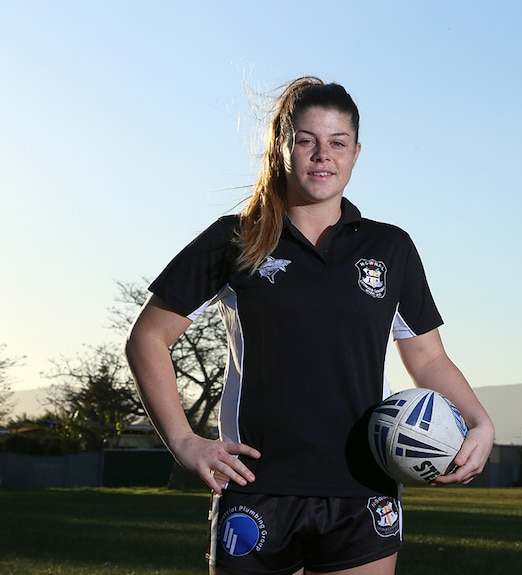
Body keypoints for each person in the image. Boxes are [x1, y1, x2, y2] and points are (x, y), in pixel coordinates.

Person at [125, 76, 495, 575]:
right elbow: (148, 337)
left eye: (337, 142)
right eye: (306, 141)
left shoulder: (390, 248)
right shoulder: (235, 238)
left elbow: (427, 358)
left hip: (363, 490)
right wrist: (186, 442)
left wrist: (480, 421)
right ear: (283, 147)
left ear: (356, 152)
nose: (323, 155)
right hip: (257, 488)